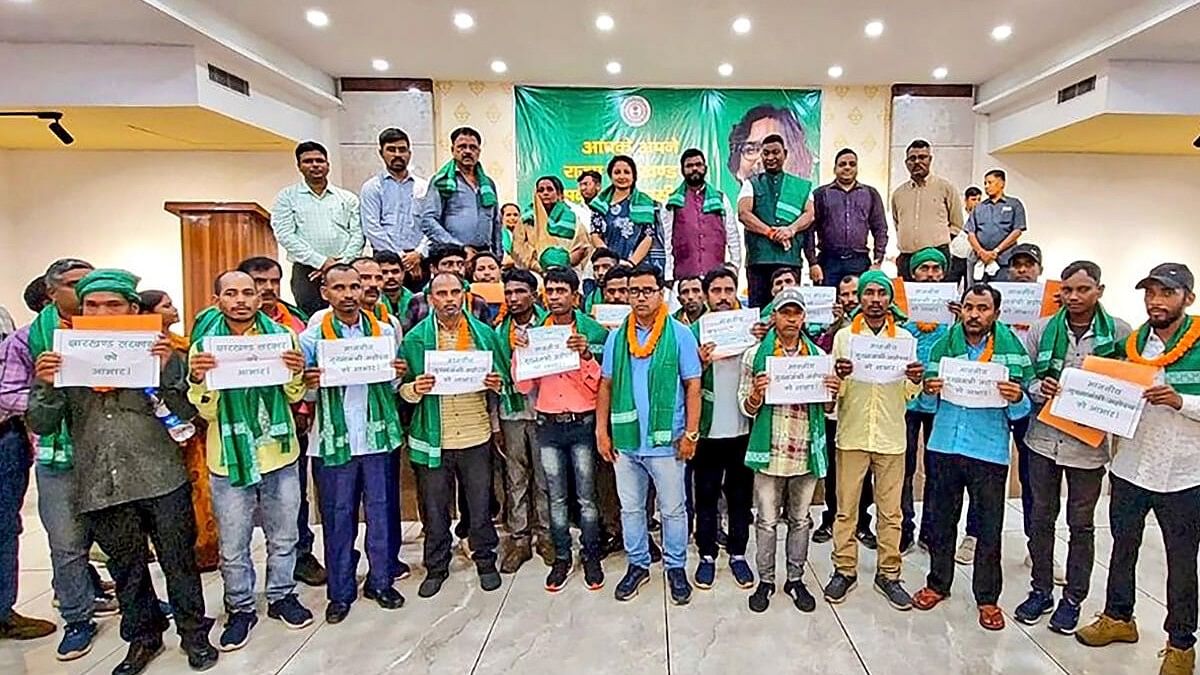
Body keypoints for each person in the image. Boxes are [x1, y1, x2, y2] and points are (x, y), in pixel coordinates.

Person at [28, 269, 219, 673]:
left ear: (133, 309)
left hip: (160, 475)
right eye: (91, 306)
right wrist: (45, 384)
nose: (101, 313)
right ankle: (143, 638)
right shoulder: (65, 355)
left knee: (178, 560)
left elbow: (187, 416)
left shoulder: (164, 353)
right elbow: (43, 424)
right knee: (127, 567)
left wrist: (169, 371)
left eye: (112, 305)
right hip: (101, 481)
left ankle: (193, 634)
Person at [1075, 263, 1200, 675]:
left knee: (1181, 561)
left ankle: (1181, 644)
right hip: (1130, 467)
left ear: (1188, 298)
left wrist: (1181, 402)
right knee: (1122, 546)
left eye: (1166, 293)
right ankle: (1118, 617)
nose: (1156, 301)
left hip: (1184, 473)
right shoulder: (1131, 344)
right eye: (1150, 293)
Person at [186, 272, 313, 649]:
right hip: (229, 456)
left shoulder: (281, 338)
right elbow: (206, 412)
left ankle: (281, 596)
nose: (240, 300)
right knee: (234, 542)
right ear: (218, 300)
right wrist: (198, 380)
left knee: (285, 533)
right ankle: (240, 607)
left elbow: (294, 394)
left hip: (278, 451)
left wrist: (295, 372)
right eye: (231, 293)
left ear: (260, 298)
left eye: (248, 293)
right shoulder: (205, 346)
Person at [7, 258, 120, 661]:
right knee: (67, 543)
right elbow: (7, 392)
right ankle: (77, 618)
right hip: (59, 454)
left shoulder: (119, 331)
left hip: (111, 449)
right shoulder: (27, 339)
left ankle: (138, 605)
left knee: (122, 539)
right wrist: (48, 384)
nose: (87, 292)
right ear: (52, 292)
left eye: (91, 284)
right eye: (76, 285)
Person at [1016, 261, 1132, 633]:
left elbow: (1128, 390)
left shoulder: (1119, 333)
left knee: (1081, 524)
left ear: (1099, 290)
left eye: (1083, 289)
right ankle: (1040, 590)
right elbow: (1025, 375)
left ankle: (1073, 599)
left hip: (1088, 446)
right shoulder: (1041, 329)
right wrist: (1039, 388)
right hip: (1042, 439)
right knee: (1040, 519)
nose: (1074, 297)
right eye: (1067, 290)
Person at [912, 283, 1033, 632]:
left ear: (996, 313)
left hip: (988, 450)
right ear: (960, 310)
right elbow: (924, 404)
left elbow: (1022, 410)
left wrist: (1016, 396)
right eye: (969, 307)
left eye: (982, 308)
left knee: (989, 529)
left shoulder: (1011, 351)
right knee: (940, 521)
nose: (974, 314)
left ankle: (987, 598)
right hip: (945, 446)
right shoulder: (941, 346)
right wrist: (928, 391)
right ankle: (937, 584)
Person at [299, 264, 408, 623]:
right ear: (326, 293)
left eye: (354, 287)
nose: (348, 294)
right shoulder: (312, 338)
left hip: (377, 435)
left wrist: (398, 374)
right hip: (333, 440)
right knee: (338, 516)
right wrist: (308, 380)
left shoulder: (384, 329)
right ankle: (340, 591)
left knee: (381, 512)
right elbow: (304, 394)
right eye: (339, 287)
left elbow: (391, 386)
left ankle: (381, 581)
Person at [596, 263, 701, 606]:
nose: (640, 297)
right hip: (626, 443)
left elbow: (693, 386)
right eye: (633, 291)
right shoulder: (616, 337)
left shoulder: (680, 334)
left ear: (661, 293)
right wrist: (602, 430)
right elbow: (606, 384)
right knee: (631, 509)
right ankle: (638, 564)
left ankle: (675, 567)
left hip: (667, 442)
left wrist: (691, 434)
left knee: (673, 509)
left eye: (647, 290)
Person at [401, 271, 508, 598]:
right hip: (435, 436)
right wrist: (415, 389)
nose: (449, 299)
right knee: (434, 509)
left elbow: (504, 377)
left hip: (475, 434)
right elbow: (399, 391)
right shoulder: (415, 339)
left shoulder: (484, 335)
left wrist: (497, 383)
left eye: (455, 292)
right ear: (431, 299)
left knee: (479, 504)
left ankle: (485, 559)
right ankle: (436, 566)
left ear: (465, 295)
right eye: (441, 294)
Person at [824, 271, 923, 611]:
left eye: (882, 293)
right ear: (861, 298)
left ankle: (889, 573)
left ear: (890, 298)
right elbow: (835, 391)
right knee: (846, 509)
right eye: (870, 293)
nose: (876, 299)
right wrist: (840, 376)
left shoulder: (905, 339)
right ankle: (844, 570)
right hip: (851, 434)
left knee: (891, 513)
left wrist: (915, 380)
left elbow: (910, 394)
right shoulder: (844, 338)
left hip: (891, 436)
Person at [739, 286, 840, 613]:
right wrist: (756, 394)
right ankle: (766, 581)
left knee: (800, 520)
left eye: (797, 313)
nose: (791, 319)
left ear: (804, 318)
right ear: (774, 317)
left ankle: (795, 579)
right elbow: (745, 407)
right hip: (768, 453)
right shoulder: (755, 356)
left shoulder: (819, 358)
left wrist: (832, 393)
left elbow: (826, 409)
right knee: (766, 522)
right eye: (785, 312)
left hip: (804, 452)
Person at [513, 266, 609, 591]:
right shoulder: (535, 334)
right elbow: (524, 386)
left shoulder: (593, 332)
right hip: (548, 425)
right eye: (550, 291)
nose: (555, 297)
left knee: (586, 497)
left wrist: (585, 356)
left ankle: (592, 556)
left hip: (582, 422)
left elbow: (601, 385)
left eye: (561, 291)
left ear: (574, 296)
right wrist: (520, 352)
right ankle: (562, 559)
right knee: (555, 498)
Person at [235, 256, 326, 587]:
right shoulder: (215, 327)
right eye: (259, 283)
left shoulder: (295, 322)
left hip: (288, 425)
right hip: (236, 428)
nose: (268, 288)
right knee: (239, 509)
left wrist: (303, 410)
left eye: (274, 281)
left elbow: (303, 375)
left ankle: (300, 557)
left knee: (293, 497)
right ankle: (240, 584)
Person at [139, 290, 220, 573]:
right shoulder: (140, 349)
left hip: (192, 425)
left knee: (200, 489)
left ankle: (207, 549)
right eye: (166, 305)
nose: (174, 309)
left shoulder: (183, 345)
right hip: (157, 434)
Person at [690, 267, 755, 591]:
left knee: (741, 497)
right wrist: (698, 364)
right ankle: (706, 555)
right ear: (706, 295)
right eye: (716, 291)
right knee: (705, 496)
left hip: (743, 429)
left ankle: (739, 554)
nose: (724, 297)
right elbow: (681, 382)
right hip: (707, 432)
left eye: (729, 290)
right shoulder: (693, 332)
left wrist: (760, 341)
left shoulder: (750, 329)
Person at [492, 269, 553, 572]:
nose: (514, 298)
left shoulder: (549, 326)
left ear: (533, 294)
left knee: (544, 477)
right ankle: (519, 539)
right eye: (508, 293)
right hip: (510, 412)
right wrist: (494, 425)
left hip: (545, 409)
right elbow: (492, 380)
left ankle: (545, 535)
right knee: (515, 477)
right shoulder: (496, 330)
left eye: (520, 292)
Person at [813, 273, 875, 546]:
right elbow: (818, 356)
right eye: (844, 295)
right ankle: (831, 518)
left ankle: (863, 522)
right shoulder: (829, 325)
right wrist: (833, 325)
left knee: (864, 472)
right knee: (833, 471)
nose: (849, 299)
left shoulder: (878, 326)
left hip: (863, 410)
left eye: (853, 293)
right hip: (832, 407)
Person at [899, 249, 953, 553]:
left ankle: (931, 530)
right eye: (924, 269)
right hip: (905, 403)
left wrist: (959, 322)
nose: (930, 273)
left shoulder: (954, 316)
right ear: (914, 274)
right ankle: (905, 527)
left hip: (940, 401)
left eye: (936, 269)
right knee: (903, 468)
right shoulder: (902, 311)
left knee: (936, 468)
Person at [271, 141, 364, 316]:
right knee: (311, 318)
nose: (315, 165)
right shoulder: (287, 197)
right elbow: (285, 235)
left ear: (328, 165)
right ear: (299, 166)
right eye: (308, 161)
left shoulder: (347, 197)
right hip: (307, 271)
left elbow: (358, 233)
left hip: (346, 268)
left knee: (349, 314)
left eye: (319, 161)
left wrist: (340, 263)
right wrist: (321, 262)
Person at [737, 134, 816, 309]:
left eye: (775, 152)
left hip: (790, 260)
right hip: (759, 261)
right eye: (766, 153)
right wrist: (771, 233)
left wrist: (791, 230)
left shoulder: (802, 186)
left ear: (785, 154)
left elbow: (810, 214)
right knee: (759, 311)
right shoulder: (751, 184)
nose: (771, 157)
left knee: (790, 309)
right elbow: (744, 213)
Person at [359, 127, 430, 288]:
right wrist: (401, 258)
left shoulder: (424, 187)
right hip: (385, 262)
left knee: (419, 307)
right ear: (381, 153)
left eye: (402, 150)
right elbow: (372, 228)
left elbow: (432, 224)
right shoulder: (372, 187)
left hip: (420, 261)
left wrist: (418, 253)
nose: (397, 154)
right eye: (391, 150)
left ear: (409, 154)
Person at [807, 148, 888, 287]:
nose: (847, 167)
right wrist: (813, 263)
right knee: (828, 305)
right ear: (835, 168)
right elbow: (809, 231)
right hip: (828, 261)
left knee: (859, 304)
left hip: (859, 261)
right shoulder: (820, 194)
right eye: (842, 164)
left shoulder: (870, 193)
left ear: (857, 168)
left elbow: (880, 229)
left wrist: (877, 261)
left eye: (852, 164)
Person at [663, 148, 742, 281]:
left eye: (698, 165)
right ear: (682, 170)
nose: (694, 169)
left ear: (705, 168)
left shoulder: (721, 199)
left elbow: (732, 236)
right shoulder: (672, 202)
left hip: (715, 280)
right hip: (683, 279)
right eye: (689, 166)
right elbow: (667, 240)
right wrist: (668, 275)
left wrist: (734, 267)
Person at [891, 139, 964, 282]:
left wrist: (938, 243)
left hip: (936, 258)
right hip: (906, 257)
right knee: (905, 302)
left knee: (937, 300)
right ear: (906, 163)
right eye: (912, 158)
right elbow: (897, 223)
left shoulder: (945, 187)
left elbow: (957, 223)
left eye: (922, 157)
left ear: (930, 160)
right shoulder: (898, 193)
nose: (917, 162)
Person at [425, 126, 503, 256]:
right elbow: (428, 220)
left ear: (479, 151)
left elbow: (496, 222)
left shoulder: (488, 184)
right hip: (453, 255)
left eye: (473, 147)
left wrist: (498, 256)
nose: (467, 151)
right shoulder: (441, 181)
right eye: (462, 147)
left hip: (483, 256)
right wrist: (459, 248)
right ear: (453, 150)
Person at [588, 155, 668, 273]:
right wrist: (611, 261)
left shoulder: (645, 202)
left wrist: (630, 263)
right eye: (617, 172)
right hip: (608, 268)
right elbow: (595, 235)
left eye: (626, 172)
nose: (622, 176)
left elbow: (648, 237)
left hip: (638, 267)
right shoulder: (600, 204)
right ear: (610, 176)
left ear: (634, 176)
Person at [403, 243, 492, 331]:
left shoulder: (477, 302)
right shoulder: (419, 301)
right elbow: (410, 340)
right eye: (448, 264)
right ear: (433, 268)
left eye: (460, 264)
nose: (456, 269)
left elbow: (487, 338)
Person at [513, 176, 592, 272]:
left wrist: (563, 263)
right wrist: (540, 268)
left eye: (550, 189)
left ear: (559, 194)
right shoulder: (526, 220)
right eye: (541, 190)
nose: (545, 193)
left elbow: (583, 247)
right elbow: (518, 248)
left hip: (566, 272)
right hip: (534, 273)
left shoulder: (572, 219)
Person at [726, 104, 816, 183]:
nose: (762, 160)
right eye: (751, 150)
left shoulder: (803, 194)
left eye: (775, 151)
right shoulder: (726, 199)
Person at [966, 169, 1027, 282]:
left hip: (1004, 260)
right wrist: (981, 252)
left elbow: (1017, 231)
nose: (986, 186)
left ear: (1001, 183)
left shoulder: (1014, 205)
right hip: (980, 259)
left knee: (1001, 292)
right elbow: (971, 233)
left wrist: (996, 251)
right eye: (985, 183)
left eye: (990, 182)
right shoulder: (979, 207)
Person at [374, 250, 416, 319]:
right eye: (384, 272)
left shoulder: (416, 301)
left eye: (395, 272)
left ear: (403, 273)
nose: (390, 276)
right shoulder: (371, 303)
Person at [583, 248, 620, 313]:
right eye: (596, 268)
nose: (600, 272)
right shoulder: (591, 298)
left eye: (606, 267)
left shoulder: (629, 292)